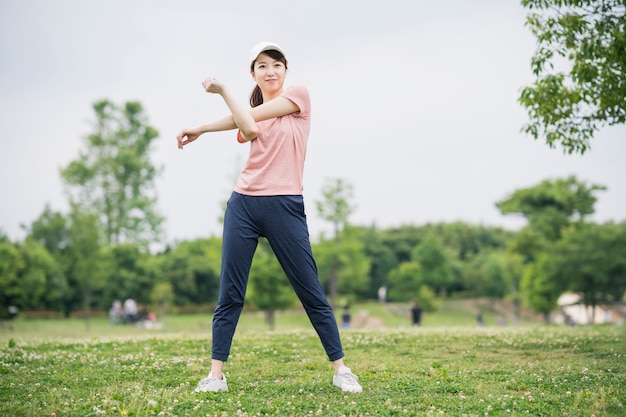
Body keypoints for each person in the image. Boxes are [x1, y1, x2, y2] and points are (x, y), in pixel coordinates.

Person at [176, 41, 362, 394]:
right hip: (244, 205)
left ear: (285, 71)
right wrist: (203, 126)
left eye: (276, 64)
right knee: (230, 293)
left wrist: (222, 94)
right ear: (254, 73)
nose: (271, 70)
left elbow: (249, 118)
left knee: (311, 291)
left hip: (285, 206)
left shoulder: (299, 96)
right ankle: (215, 375)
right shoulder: (249, 112)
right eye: (262, 65)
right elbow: (247, 126)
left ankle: (341, 369)